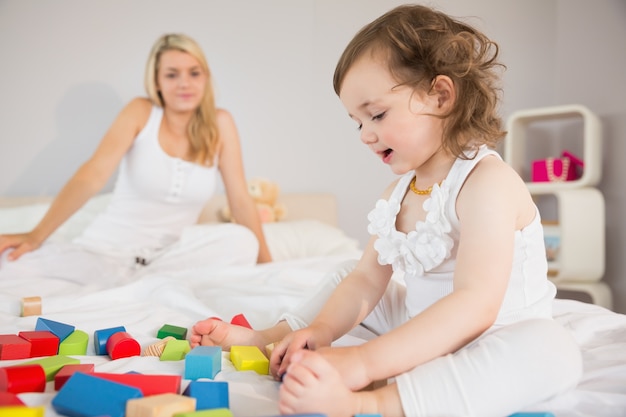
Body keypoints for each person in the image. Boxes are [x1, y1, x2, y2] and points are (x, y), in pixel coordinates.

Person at [190, 5, 582, 417]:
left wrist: (363, 362)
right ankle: (271, 337)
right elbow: (365, 281)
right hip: (421, 329)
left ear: (441, 96)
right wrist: (321, 331)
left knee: (552, 350)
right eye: (356, 122)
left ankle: (372, 402)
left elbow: (476, 303)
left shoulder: (487, 183)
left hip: (495, 336)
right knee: (349, 273)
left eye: (376, 114)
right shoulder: (396, 194)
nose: (365, 135)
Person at [0, 33, 272, 285]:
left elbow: (240, 199)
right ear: (157, 82)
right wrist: (35, 235)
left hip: (167, 260)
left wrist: (269, 267)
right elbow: (92, 175)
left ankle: (144, 285)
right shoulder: (141, 112)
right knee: (11, 266)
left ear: (205, 78)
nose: (184, 83)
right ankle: (133, 285)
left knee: (242, 241)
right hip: (104, 253)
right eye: (172, 75)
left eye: (194, 73)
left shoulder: (221, 123)